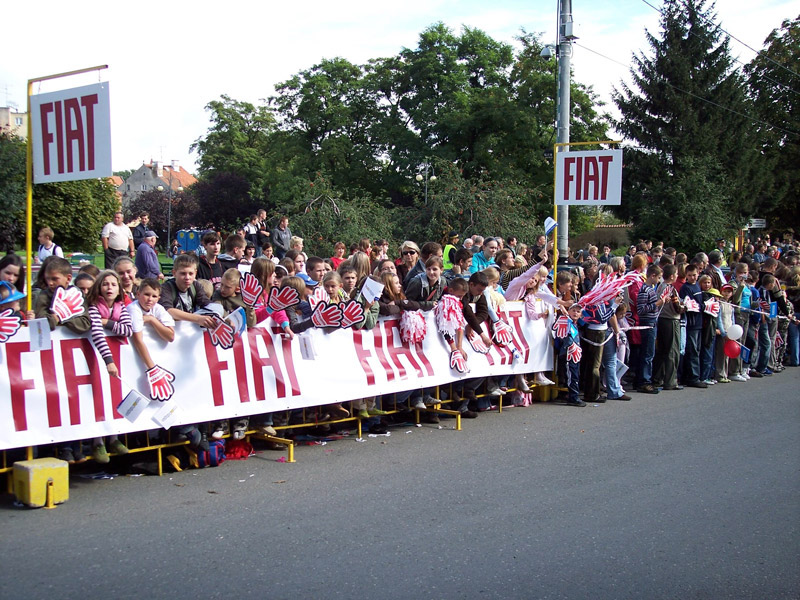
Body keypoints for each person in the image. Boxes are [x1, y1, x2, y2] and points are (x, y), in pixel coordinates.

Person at [85, 270, 133, 462]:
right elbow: (96, 333)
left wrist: (109, 323)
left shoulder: (122, 307)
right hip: (98, 358)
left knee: (115, 396)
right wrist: (108, 360)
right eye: (105, 284)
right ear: (99, 287)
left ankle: (114, 437)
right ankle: (97, 441)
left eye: (113, 284)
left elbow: (128, 329)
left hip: (117, 358)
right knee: (97, 397)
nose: (109, 288)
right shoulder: (94, 307)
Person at [33, 257, 91, 334]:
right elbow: (42, 324)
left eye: (54, 279)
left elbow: (85, 324)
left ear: (68, 278)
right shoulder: (44, 296)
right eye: (47, 278)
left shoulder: (76, 294)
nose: (50, 283)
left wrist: (61, 317)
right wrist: (57, 317)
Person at [159, 254, 215, 328]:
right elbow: (168, 311)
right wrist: (198, 318)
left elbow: (207, 304)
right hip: (170, 330)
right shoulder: (166, 288)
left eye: (191, 274)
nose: (187, 277)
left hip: (188, 330)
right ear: (174, 273)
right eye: (183, 273)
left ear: (195, 273)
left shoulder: (195, 286)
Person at [636, 264, 665, 394]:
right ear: (652, 276)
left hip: (652, 321)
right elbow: (641, 310)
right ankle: (644, 381)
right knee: (647, 353)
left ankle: (645, 379)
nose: (659, 280)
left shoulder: (650, 289)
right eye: (658, 278)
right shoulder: (644, 290)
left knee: (650, 353)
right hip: (647, 323)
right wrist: (657, 304)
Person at [653, 264, 684, 391]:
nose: (677, 276)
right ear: (672, 276)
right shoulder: (670, 289)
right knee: (672, 350)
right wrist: (686, 307)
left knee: (662, 350)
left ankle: (657, 378)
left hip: (661, 320)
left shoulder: (660, 286)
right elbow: (677, 307)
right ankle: (670, 381)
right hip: (671, 320)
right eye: (676, 274)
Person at [680, 263, 707, 388]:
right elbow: (691, 305)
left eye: (694, 275)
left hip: (698, 322)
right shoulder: (686, 288)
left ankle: (692, 375)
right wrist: (703, 306)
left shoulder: (697, 286)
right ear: (686, 275)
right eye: (690, 275)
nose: (692, 278)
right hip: (691, 323)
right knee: (692, 351)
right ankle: (692, 377)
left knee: (696, 349)